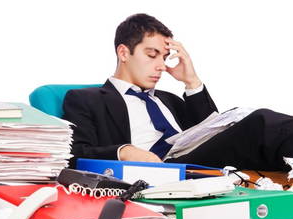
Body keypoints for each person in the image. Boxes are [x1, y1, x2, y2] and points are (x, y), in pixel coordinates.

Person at [63, 13, 293, 171]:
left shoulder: (169, 100)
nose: (161, 66)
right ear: (124, 53)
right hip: (158, 169)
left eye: (164, 58)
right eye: (152, 55)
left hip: (192, 161)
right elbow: (74, 154)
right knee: (260, 123)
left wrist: (191, 81)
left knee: (263, 144)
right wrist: (124, 152)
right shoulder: (84, 99)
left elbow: (214, 132)